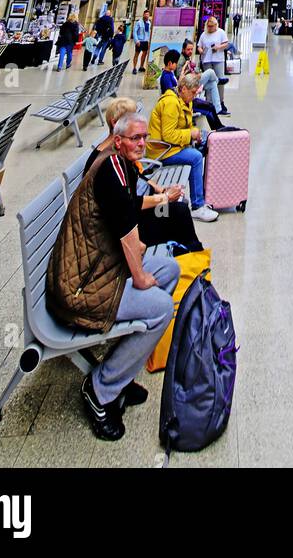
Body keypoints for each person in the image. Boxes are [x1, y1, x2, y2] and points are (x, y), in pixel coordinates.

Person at [46, 111, 181, 442]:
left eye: (144, 137)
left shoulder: (119, 166)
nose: (142, 144)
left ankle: (120, 370)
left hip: (101, 267)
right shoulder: (110, 172)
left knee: (171, 270)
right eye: (135, 138)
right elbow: (126, 233)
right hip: (83, 286)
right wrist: (140, 275)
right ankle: (101, 389)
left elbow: (129, 216)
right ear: (117, 141)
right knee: (161, 306)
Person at [85, 96, 203, 253]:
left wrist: (159, 190)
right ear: (115, 123)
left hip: (127, 218)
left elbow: (133, 185)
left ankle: (191, 263)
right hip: (118, 232)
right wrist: (164, 198)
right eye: (130, 119)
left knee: (178, 210)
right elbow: (128, 204)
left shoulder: (114, 150)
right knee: (178, 215)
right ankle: (192, 264)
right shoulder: (110, 162)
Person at [146, 71, 218, 222]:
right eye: (192, 93)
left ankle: (204, 195)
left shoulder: (184, 100)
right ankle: (198, 206)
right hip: (162, 151)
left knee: (206, 143)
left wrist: (195, 136)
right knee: (196, 157)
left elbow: (185, 124)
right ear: (183, 88)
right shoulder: (171, 103)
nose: (194, 96)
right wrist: (190, 134)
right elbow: (168, 135)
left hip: (172, 147)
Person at [180, 38, 229, 116]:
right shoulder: (181, 60)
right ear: (183, 50)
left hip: (193, 80)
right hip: (190, 84)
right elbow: (181, 77)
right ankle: (218, 80)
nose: (190, 51)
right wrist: (195, 75)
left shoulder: (187, 58)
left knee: (213, 84)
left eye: (191, 49)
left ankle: (218, 109)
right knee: (210, 71)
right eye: (188, 49)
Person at [198, 15, 229, 90]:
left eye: (212, 26)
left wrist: (218, 47)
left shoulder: (221, 32)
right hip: (206, 60)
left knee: (219, 79)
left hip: (218, 59)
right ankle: (209, 99)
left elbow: (226, 44)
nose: (210, 28)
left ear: (216, 25)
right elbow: (199, 46)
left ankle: (220, 99)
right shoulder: (204, 34)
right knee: (209, 80)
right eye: (208, 26)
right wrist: (200, 50)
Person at [132, 9, 151, 73]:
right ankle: (134, 68)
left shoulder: (149, 23)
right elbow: (134, 32)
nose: (146, 16)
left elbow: (149, 32)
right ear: (143, 14)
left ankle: (141, 66)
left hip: (146, 41)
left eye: (148, 14)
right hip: (139, 41)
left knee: (144, 54)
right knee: (136, 54)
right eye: (145, 14)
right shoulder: (139, 22)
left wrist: (149, 41)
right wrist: (136, 41)